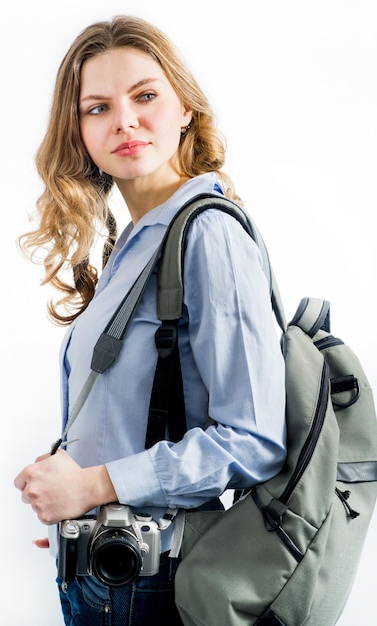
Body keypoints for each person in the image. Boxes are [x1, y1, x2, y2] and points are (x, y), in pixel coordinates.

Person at [14, 15, 286, 626]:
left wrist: (93, 488)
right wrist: (77, 499)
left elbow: (256, 440)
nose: (125, 121)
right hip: (109, 567)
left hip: (156, 582)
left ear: (185, 107)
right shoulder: (135, 241)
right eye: (97, 107)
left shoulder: (207, 233)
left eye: (145, 96)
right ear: (78, 130)